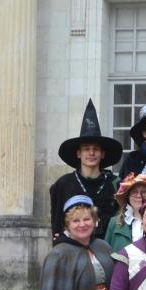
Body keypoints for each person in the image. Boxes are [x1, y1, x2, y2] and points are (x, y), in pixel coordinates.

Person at [50, 99, 122, 241]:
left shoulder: (115, 184)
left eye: (96, 149)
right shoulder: (63, 184)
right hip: (73, 247)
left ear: (102, 154)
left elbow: (121, 221)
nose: (91, 153)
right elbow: (57, 226)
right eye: (86, 149)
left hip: (108, 248)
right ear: (79, 153)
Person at [106, 173, 146, 252]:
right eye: (134, 192)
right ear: (128, 197)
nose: (139, 196)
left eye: (144, 192)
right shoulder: (114, 223)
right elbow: (106, 255)